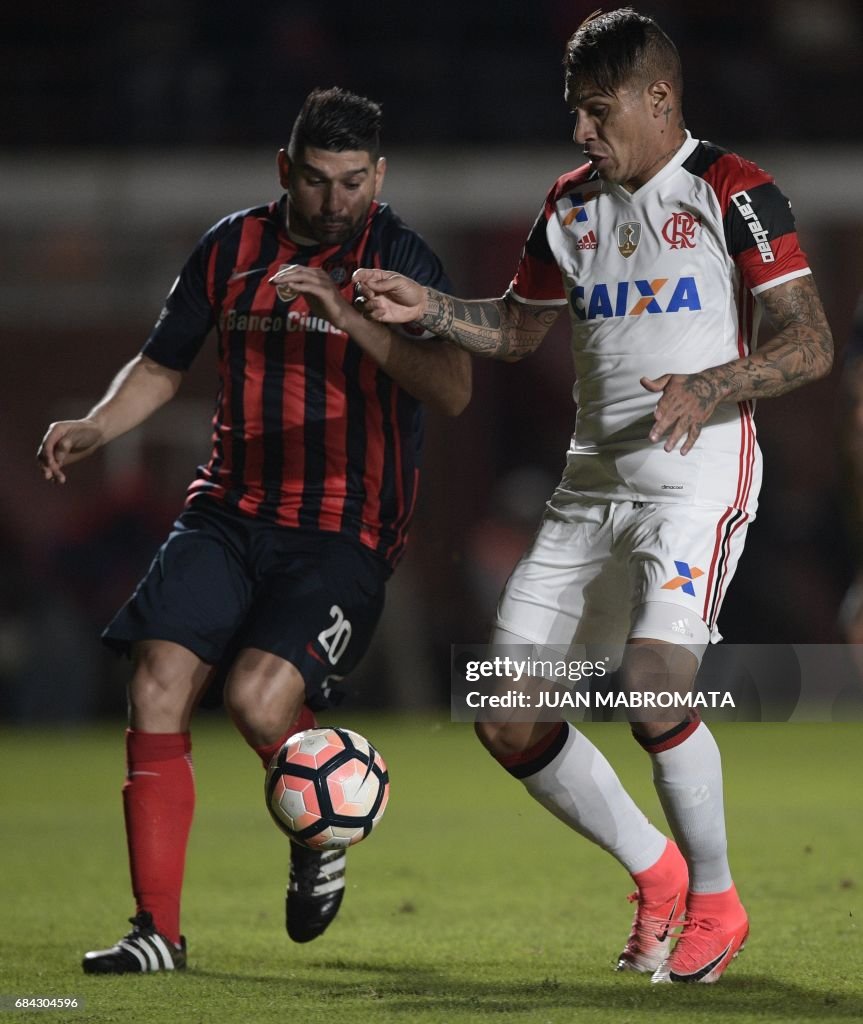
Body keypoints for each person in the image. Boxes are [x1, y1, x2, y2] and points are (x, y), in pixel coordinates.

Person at [354, 8, 833, 984]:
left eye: (595, 111)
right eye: (574, 112)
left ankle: (715, 898)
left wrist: (707, 385)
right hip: (588, 482)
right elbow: (518, 328)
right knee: (505, 712)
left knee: (654, 680)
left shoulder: (731, 191)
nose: (579, 131)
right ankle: (655, 873)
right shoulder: (567, 205)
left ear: (658, 100)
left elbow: (806, 340)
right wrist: (433, 308)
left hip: (695, 473)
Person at [37, 86, 471, 974]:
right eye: (316, 180)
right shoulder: (229, 247)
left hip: (345, 528)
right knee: (156, 682)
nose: (334, 201)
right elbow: (162, 367)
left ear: (378, 176)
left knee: (256, 701)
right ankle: (156, 931)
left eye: (353, 182)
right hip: (229, 510)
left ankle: (319, 826)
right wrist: (96, 423)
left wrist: (351, 314)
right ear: (286, 170)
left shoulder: (399, 255)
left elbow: (454, 389)